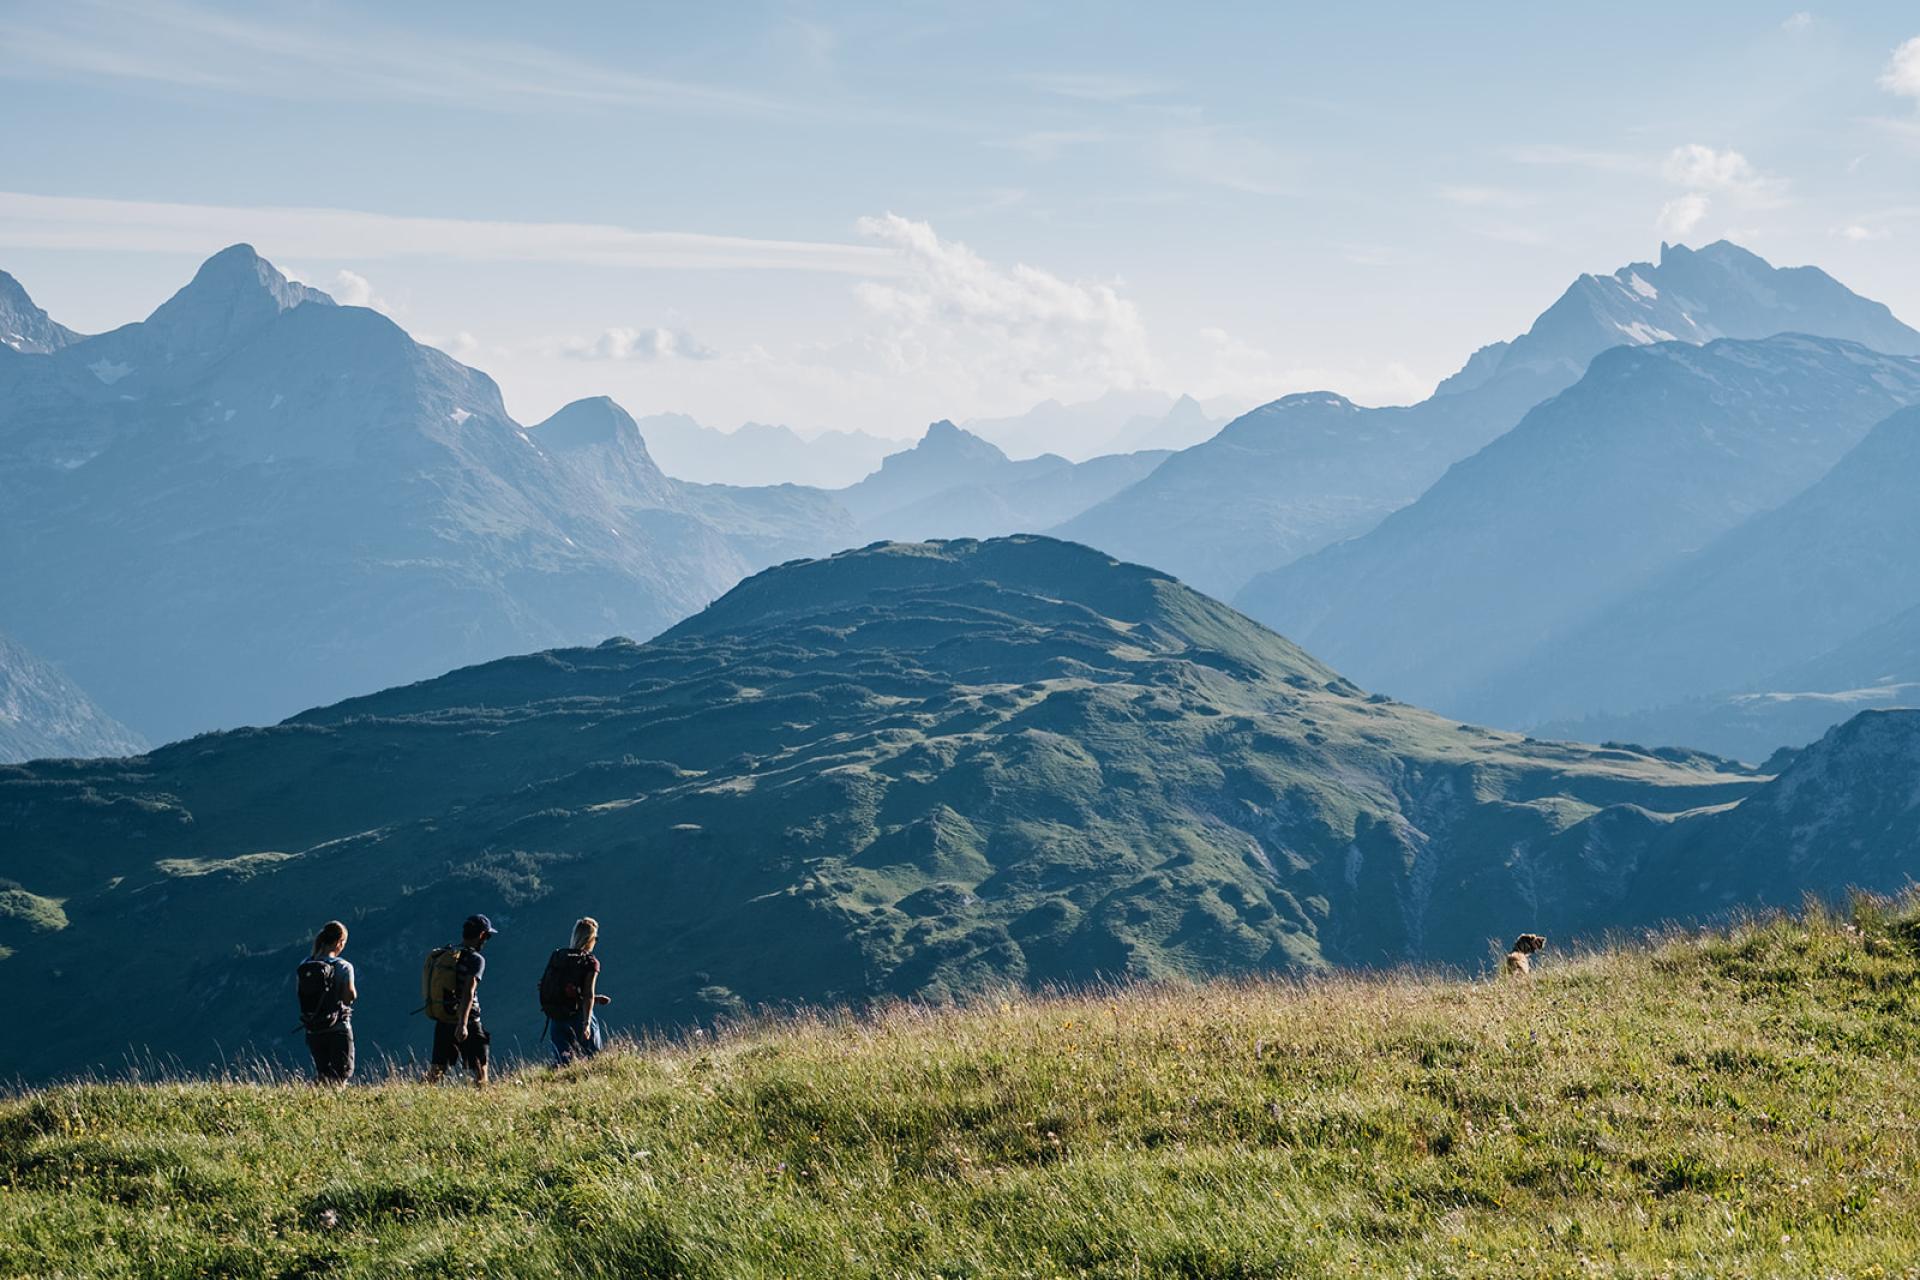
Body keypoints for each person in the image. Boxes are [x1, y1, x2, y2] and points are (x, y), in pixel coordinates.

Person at [424, 913, 497, 1088]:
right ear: (481, 935)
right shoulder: (476, 960)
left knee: (436, 1072)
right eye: (487, 936)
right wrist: (463, 1024)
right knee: (480, 1073)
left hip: (444, 1020)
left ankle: (411, 1102)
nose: (486, 940)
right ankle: (483, 1104)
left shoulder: (449, 955)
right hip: (469, 1022)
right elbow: (469, 993)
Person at [541, 916, 612, 1065]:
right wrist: (586, 1024)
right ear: (589, 939)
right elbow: (588, 995)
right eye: (596, 938)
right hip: (579, 1016)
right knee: (594, 1061)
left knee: (563, 1064)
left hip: (556, 1018)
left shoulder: (558, 957)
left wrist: (596, 998)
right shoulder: (590, 962)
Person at [295, 920, 357, 1084]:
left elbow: (300, 993)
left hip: (314, 1028)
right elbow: (348, 997)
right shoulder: (343, 966)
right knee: (340, 1076)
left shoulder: (305, 964)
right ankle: (336, 1108)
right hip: (338, 1027)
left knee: (323, 1074)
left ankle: (315, 1103)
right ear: (339, 942)